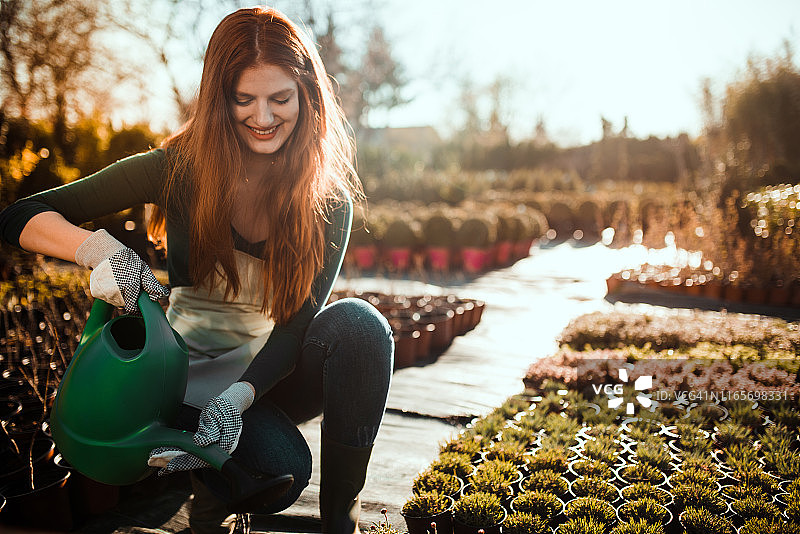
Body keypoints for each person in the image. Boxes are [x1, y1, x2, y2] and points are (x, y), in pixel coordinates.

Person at [0, 6, 394, 534]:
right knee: (280, 470)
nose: (263, 116)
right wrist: (97, 250)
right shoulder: (177, 170)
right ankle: (214, 495)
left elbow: (297, 328)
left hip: (262, 381)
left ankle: (342, 514)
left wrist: (240, 397)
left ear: (307, 95)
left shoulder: (327, 203)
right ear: (218, 99)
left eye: (281, 98)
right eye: (244, 99)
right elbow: (19, 216)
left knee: (361, 326)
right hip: (183, 381)